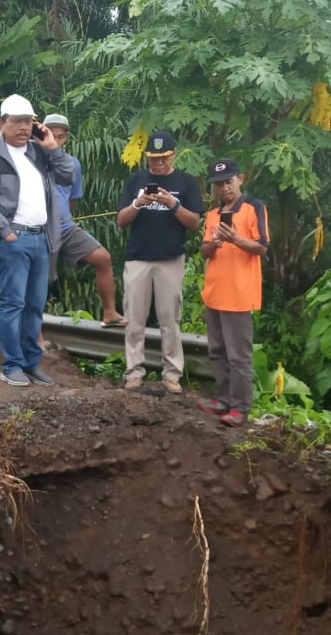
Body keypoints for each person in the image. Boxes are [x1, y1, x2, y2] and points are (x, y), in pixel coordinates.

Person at [0, 93, 74, 387]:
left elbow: (68, 175)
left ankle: (31, 363)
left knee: (34, 305)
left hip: (41, 239)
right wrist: (6, 233)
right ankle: (12, 365)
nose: (23, 127)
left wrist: (52, 146)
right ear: (2, 123)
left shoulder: (40, 151)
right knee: (13, 304)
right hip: (13, 239)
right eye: (16, 121)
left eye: (28, 121)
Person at [115, 129, 205, 394]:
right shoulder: (136, 180)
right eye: (154, 159)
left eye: (164, 158)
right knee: (134, 319)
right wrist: (139, 203)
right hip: (137, 259)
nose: (159, 163)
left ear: (173, 155)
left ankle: (172, 374)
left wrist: (172, 204)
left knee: (170, 320)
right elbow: (121, 220)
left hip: (170, 260)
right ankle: (134, 372)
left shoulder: (187, 182)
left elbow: (195, 223)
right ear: (147, 158)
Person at [197, 157, 269, 428]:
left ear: (240, 179)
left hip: (239, 294)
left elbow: (262, 247)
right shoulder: (213, 214)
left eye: (228, 181)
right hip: (214, 291)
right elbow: (204, 251)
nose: (224, 188)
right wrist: (215, 243)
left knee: (239, 355)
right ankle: (224, 398)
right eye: (218, 184)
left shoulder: (254, 208)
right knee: (217, 350)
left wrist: (236, 239)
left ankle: (240, 407)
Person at [42, 113, 124, 327]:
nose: (56, 140)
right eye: (52, 135)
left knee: (103, 258)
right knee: (41, 279)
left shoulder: (72, 164)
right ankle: (34, 329)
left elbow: (72, 200)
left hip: (65, 226)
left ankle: (110, 313)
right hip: (40, 229)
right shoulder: (34, 159)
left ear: (66, 138)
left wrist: (63, 218)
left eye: (60, 136)